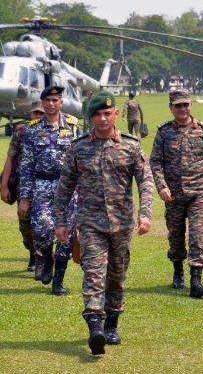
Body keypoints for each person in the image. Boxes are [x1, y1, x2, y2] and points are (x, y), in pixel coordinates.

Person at [54, 90, 153, 355]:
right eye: (97, 114)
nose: (102, 119)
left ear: (116, 114)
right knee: (93, 274)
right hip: (90, 224)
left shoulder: (131, 146)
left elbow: (145, 182)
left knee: (117, 277)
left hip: (121, 225)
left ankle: (111, 324)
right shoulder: (78, 148)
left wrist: (145, 214)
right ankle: (95, 326)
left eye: (107, 113)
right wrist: (61, 222)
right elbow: (64, 188)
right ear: (90, 117)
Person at [149, 89, 203, 298]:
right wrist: (161, 186)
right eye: (178, 105)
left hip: (199, 192)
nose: (182, 109)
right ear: (171, 108)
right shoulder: (164, 132)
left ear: (190, 106)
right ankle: (178, 270)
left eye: (186, 105)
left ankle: (196, 279)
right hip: (173, 194)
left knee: (197, 235)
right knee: (176, 236)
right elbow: (155, 162)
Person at [18, 85, 79, 294]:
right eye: (48, 101)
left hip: (68, 186)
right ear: (42, 104)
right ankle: (46, 257)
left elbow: (80, 159)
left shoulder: (73, 126)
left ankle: (58, 282)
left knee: (67, 234)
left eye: (55, 101)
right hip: (41, 186)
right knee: (42, 230)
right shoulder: (32, 130)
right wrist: (24, 197)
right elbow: (26, 165)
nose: (51, 104)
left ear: (61, 103)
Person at [0, 101, 44, 272]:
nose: (38, 116)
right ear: (30, 114)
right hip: (23, 185)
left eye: (41, 113)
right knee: (25, 225)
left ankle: (42, 258)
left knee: (44, 224)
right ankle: (32, 252)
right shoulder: (21, 131)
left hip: (46, 184)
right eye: (36, 113)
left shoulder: (56, 131)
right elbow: (10, 158)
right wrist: (4, 185)